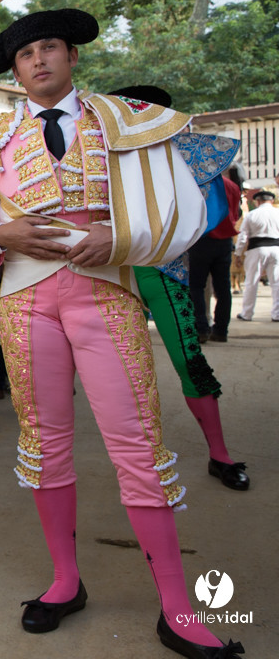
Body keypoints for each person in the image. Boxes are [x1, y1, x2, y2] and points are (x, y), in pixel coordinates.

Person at [0, 9, 242, 658]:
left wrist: (124, 236)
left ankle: (177, 609)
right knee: (44, 441)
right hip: (24, 301)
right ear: (14, 71)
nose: (39, 60)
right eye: (25, 54)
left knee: (136, 443)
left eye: (50, 47)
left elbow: (179, 196)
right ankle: (65, 581)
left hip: (105, 293)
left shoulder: (122, 118)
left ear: (72, 56)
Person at [107, 86, 249, 493]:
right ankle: (138, 461)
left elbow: (210, 211)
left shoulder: (177, 152)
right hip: (107, 272)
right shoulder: (94, 154)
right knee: (119, 373)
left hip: (161, 270)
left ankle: (219, 455)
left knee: (189, 361)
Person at [188, 164, 242, 343]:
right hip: (225, 240)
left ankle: (201, 328)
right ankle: (220, 330)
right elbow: (237, 212)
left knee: (196, 286)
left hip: (202, 239)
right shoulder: (232, 186)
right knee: (223, 288)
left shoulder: (200, 183)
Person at [236, 188, 279, 322]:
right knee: (277, 283)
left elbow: (243, 236)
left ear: (258, 201)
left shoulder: (252, 215)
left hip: (257, 249)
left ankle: (247, 313)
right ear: (271, 201)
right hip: (276, 249)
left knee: (251, 282)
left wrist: (238, 253)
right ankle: (277, 314)